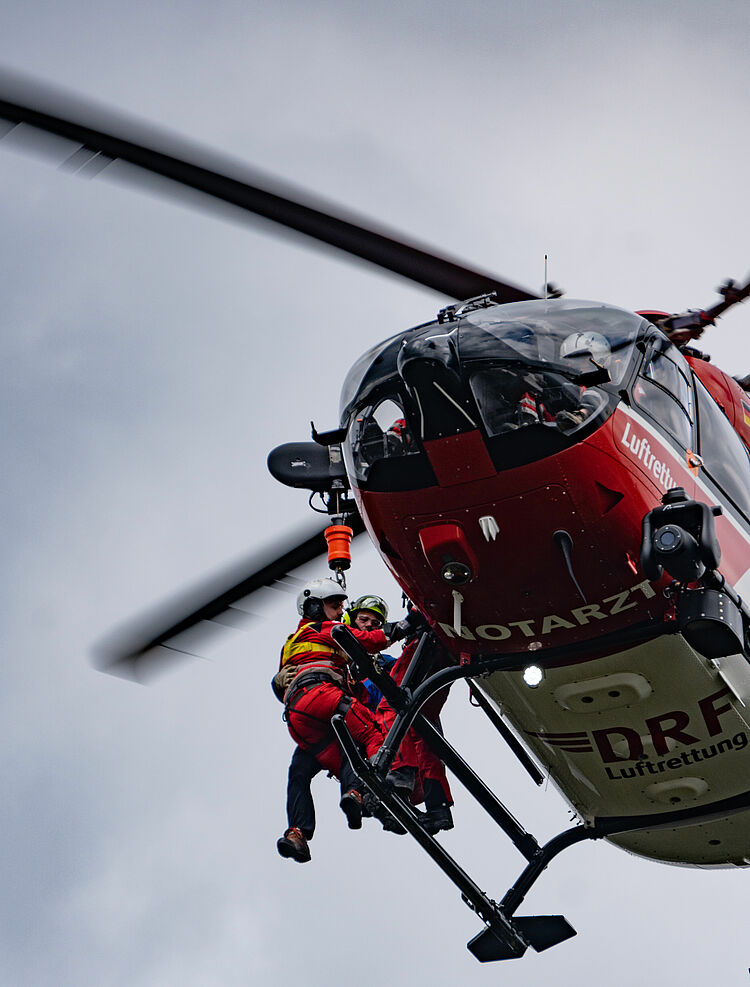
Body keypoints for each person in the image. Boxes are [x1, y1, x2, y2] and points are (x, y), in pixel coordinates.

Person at [274, 580, 410, 863]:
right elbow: (370, 643)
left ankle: (298, 833)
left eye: (375, 621)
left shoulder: (293, 641)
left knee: (302, 772)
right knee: (373, 737)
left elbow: (286, 679)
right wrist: (407, 625)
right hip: (324, 699)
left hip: (300, 720)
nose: (339, 612)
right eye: (335, 607)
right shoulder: (331, 632)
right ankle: (370, 792)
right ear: (315, 607)